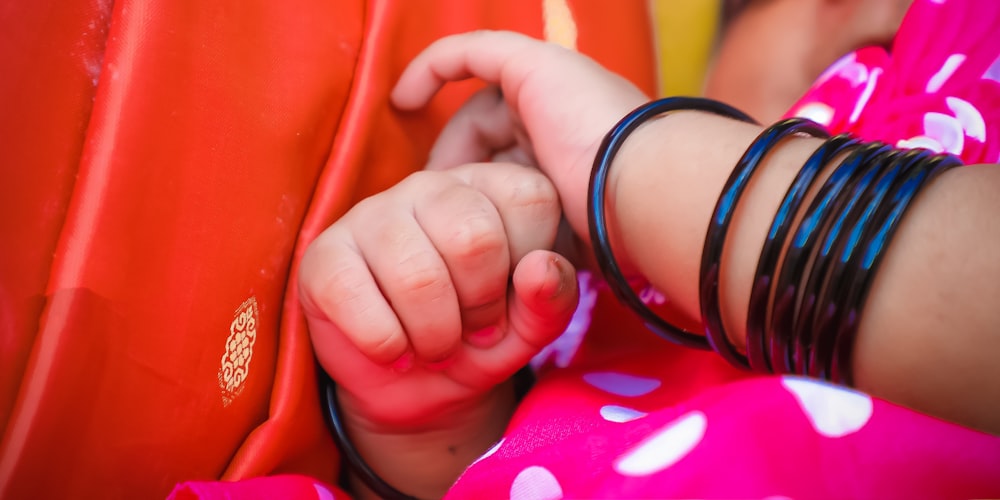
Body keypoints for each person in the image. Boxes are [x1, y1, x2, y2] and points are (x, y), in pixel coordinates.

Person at [301, 0, 1000, 497]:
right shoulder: (590, 295)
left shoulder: (639, 175)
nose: (890, 13)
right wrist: (432, 424)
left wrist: (635, 162)